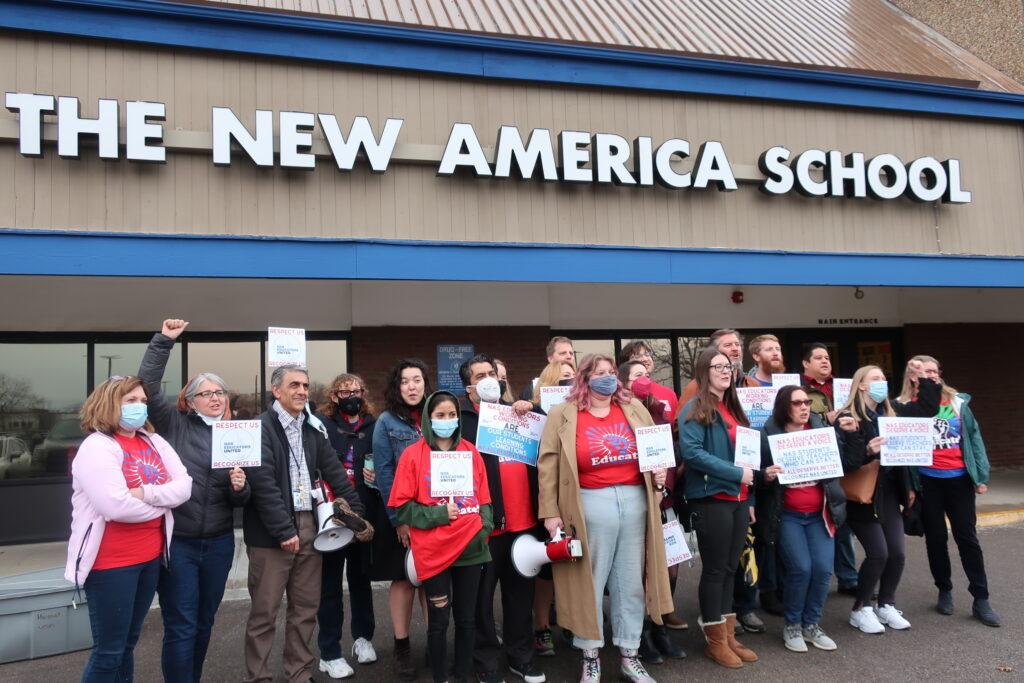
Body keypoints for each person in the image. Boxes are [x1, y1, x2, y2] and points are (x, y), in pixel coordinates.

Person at [538, 353, 671, 683]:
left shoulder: (634, 408)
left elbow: (657, 451)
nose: (607, 378)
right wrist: (550, 512)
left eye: (612, 373)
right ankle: (590, 657)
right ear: (585, 377)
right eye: (600, 373)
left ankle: (630, 655)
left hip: (635, 503)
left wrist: (659, 478)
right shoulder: (562, 414)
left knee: (630, 584)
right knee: (589, 584)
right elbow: (548, 465)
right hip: (588, 507)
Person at [138, 319, 250, 683]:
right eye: (207, 393)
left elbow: (242, 499)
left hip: (218, 543)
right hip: (179, 543)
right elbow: (149, 388)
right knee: (182, 624)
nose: (216, 397)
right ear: (190, 399)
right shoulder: (174, 424)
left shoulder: (236, 435)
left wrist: (239, 486)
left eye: (221, 392)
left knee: (204, 622)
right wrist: (164, 342)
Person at [242, 365, 367, 683]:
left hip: (311, 526)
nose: (301, 391)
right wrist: (284, 530)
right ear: (276, 390)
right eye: (294, 385)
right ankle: (259, 677)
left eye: (306, 385)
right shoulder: (259, 428)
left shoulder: (313, 428)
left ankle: (298, 673)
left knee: (305, 609)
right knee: (264, 614)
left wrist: (356, 513)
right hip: (272, 534)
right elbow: (262, 483)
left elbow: (335, 472)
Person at [66, 375, 193, 682]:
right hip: (112, 565)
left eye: (143, 402)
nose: (140, 407)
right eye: (131, 401)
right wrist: (163, 503)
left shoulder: (153, 440)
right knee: (108, 653)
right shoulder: (97, 447)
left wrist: (145, 494)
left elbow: (185, 486)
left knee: (127, 646)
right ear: (109, 404)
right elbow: (115, 506)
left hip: (149, 559)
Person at [387, 390, 494, 683]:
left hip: (471, 548)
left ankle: (461, 675)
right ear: (428, 419)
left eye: (452, 415)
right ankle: (440, 677)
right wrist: (437, 515)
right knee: (439, 619)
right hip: (433, 550)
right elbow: (403, 508)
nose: (447, 421)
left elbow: (485, 498)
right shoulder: (413, 455)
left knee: (467, 619)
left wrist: (483, 529)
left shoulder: (470, 452)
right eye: (440, 416)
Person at [457, 355, 546, 683]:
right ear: (469, 386)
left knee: (520, 598)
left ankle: (521, 657)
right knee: (480, 602)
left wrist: (530, 410)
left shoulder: (520, 412)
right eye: (480, 375)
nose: (488, 378)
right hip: (485, 529)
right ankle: (485, 661)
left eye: (491, 373)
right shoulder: (462, 421)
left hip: (524, 525)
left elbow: (544, 442)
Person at [834, 364, 939, 635]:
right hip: (863, 497)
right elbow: (844, 464)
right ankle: (861, 609)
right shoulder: (848, 417)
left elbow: (928, 410)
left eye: (884, 377)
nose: (882, 382)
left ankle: (886, 604)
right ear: (862, 385)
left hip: (890, 494)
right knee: (878, 553)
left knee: (898, 554)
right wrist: (867, 450)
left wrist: (923, 380)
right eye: (875, 378)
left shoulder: (892, 412)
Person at [897, 355, 1000, 627]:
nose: (930, 375)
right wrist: (908, 487)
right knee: (936, 538)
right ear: (913, 377)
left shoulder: (958, 403)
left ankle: (981, 598)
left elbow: (974, 438)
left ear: (940, 373)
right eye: (922, 371)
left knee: (967, 537)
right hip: (928, 481)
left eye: (933, 370)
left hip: (959, 480)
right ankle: (944, 589)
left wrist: (981, 474)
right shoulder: (907, 406)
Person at [678, 347, 759, 669]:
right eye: (718, 366)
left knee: (729, 569)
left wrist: (749, 497)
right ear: (703, 371)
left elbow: (748, 458)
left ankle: (727, 636)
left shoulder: (734, 409)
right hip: (712, 500)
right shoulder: (694, 409)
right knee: (714, 571)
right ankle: (715, 641)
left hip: (739, 500)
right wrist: (737, 474)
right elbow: (693, 454)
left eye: (729, 367)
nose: (726, 371)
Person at [758, 386, 846, 653]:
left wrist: (852, 439)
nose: (804, 407)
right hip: (788, 516)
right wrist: (766, 475)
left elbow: (844, 462)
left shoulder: (821, 433)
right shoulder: (768, 434)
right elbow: (754, 475)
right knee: (801, 569)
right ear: (785, 406)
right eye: (797, 403)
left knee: (822, 570)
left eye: (807, 402)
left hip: (820, 514)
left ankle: (812, 625)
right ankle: (793, 626)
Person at [618, 361, 687, 665]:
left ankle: (660, 626)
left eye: (646, 376)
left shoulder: (658, 413)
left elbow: (666, 458)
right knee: (640, 572)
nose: (644, 381)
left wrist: (665, 491)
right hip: (636, 504)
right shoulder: (619, 416)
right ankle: (643, 633)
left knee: (669, 569)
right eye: (636, 377)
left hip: (663, 504)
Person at [315, 373, 380, 678]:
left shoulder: (373, 424)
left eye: (356, 390)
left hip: (362, 512)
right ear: (334, 395)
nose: (351, 395)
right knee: (329, 586)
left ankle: (363, 638)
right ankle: (329, 651)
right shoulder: (322, 425)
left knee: (360, 580)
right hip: (332, 513)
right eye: (344, 391)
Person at [371, 359, 431, 681]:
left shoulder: (437, 416)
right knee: (404, 580)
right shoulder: (386, 422)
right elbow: (384, 473)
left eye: (417, 380)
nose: (412, 386)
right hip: (403, 517)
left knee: (433, 580)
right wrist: (399, 520)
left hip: (435, 516)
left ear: (425, 384)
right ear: (397, 386)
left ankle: (435, 645)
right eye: (405, 381)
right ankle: (402, 646)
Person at [800, 343, 859, 597]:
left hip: (846, 459)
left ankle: (848, 578)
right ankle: (815, 577)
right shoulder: (799, 390)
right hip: (817, 461)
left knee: (843, 521)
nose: (825, 361)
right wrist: (827, 420)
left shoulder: (844, 388)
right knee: (821, 522)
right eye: (818, 357)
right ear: (805, 363)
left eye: (827, 357)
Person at [528, 359, 576, 657]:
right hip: (544, 497)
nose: (568, 382)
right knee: (546, 572)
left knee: (574, 565)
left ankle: (572, 623)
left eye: (572, 377)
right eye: (562, 378)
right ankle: (542, 627)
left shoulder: (582, 412)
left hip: (575, 499)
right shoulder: (533, 413)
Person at [679, 329, 758, 405]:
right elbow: (685, 417)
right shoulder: (696, 386)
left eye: (737, 344)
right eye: (728, 345)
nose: (735, 348)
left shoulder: (753, 384)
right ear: (715, 351)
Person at [618, 340, 679, 422]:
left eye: (647, 354)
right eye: (636, 356)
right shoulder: (617, 399)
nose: (644, 359)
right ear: (625, 366)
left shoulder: (669, 394)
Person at [519, 336, 575, 401]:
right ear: (550, 359)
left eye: (571, 353)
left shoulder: (583, 385)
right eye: (563, 353)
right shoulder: (533, 388)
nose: (569, 356)